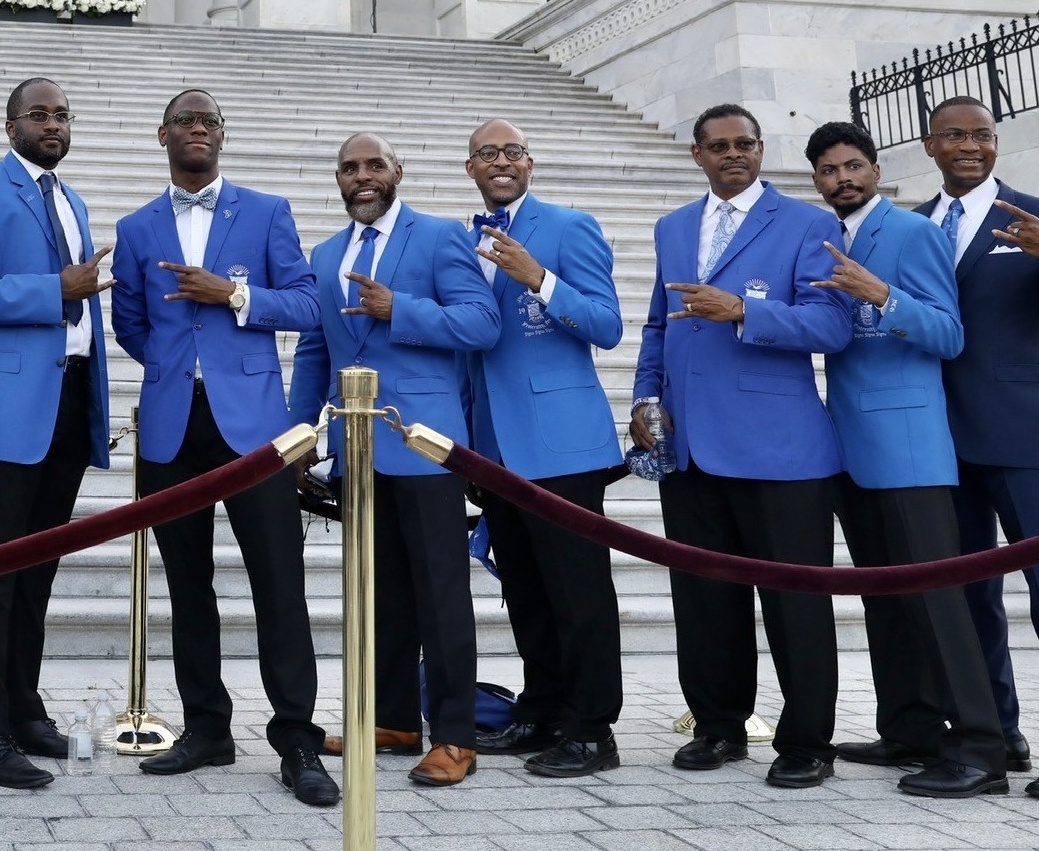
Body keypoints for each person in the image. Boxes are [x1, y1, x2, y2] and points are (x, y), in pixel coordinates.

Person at [110, 89, 337, 808]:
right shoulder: (137, 226)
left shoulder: (265, 212)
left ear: (222, 135)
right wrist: (182, 371)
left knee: (279, 584)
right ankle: (207, 729)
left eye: (208, 120)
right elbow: (131, 325)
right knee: (188, 585)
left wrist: (234, 299)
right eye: (185, 121)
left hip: (253, 429)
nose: (197, 130)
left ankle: (297, 740)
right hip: (173, 427)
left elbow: (305, 305)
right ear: (162, 135)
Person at [630, 103, 851, 788]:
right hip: (691, 449)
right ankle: (720, 725)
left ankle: (808, 741)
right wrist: (644, 398)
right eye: (720, 146)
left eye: (746, 144)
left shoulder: (808, 223)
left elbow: (831, 325)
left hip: (780, 450)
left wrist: (745, 312)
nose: (734, 155)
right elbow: (658, 327)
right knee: (704, 598)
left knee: (796, 603)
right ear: (697, 155)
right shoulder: (673, 226)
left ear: (761, 150)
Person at [803, 121, 1007, 799]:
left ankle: (980, 748)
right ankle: (910, 729)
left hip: (912, 447)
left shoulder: (916, 233)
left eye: (854, 166)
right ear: (816, 180)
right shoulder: (828, 239)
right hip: (849, 447)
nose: (844, 179)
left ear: (877, 168)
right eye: (830, 170)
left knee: (939, 601)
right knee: (885, 599)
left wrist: (882, 296)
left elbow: (949, 335)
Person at [290, 132, 498, 788]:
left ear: (397, 172)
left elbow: (481, 322)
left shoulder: (439, 238)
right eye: (350, 168)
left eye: (374, 164)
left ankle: (456, 736)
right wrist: (300, 438)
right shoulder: (325, 253)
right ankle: (393, 721)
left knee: (442, 596)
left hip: (425, 444)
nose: (362, 176)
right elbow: (315, 351)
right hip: (355, 451)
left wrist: (398, 309)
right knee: (378, 595)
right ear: (338, 179)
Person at [0, 78, 113, 790]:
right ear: (11, 124)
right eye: (39, 114)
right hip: (10, 403)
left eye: (62, 114)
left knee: (38, 566)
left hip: (69, 397)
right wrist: (53, 291)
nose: (52, 124)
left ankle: (22, 703)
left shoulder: (72, 199)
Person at [457, 120, 625, 779]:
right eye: (487, 154)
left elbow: (607, 326)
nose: (500, 162)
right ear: (470, 167)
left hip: (562, 447)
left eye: (512, 152)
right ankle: (544, 710)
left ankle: (592, 729)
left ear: (530, 163)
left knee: (578, 595)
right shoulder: (463, 239)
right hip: (495, 448)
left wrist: (540, 279)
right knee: (526, 591)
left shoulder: (569, 226)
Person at [910, 94, 1039, 785]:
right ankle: (997, 736)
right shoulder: (914, 225)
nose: (969, 146)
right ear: (929, 146)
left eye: (982, 135)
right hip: (939, 443)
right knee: (968, 597)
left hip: (1025, 438)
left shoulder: (1034, 213)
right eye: (953, 135)